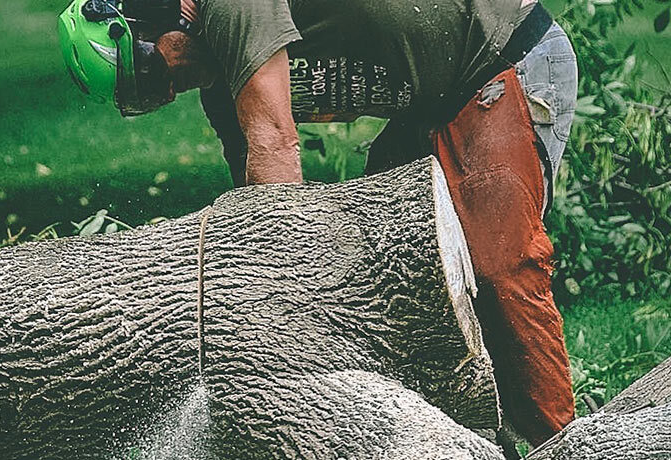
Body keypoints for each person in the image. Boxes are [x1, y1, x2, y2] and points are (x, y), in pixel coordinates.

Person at [59, 0, 578, 447]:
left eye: (150, 71)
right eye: (144, 95)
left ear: (160, 15)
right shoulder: (222, 89)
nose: (166, 93)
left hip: (505, 62)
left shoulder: (234, 7)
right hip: (432, 104)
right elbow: (253, 213)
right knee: (391, 270)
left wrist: (290, 326)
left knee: (499, 263)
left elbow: (275, 153)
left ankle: (564, 442)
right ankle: (473, 437)